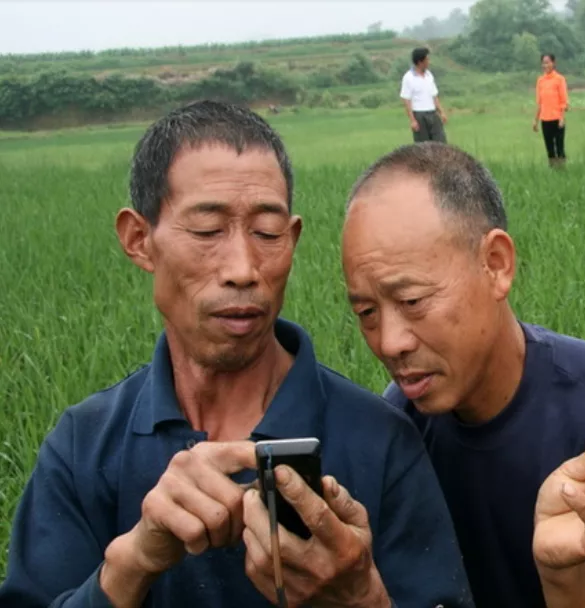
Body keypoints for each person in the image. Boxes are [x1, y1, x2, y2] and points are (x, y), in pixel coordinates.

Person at [0, 101, 474, 608]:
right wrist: (133, 562)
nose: (244, 269)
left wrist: (360, 597)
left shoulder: (380, 442)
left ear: (291, 241)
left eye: (267, 234)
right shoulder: (85, 447)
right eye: (207, 231)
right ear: (139, 240)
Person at [340, 142, 585, 607]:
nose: (389, 342)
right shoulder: (401, 430)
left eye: (412, 301)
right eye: (365, 311)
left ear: (495, 264)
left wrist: (565, 575)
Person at [400, 47, 448, 143]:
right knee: (423, 147)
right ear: (420, 61)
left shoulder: (429, 75)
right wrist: (413, 120)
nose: (429, 61)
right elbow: (406, 101)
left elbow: (434, 96)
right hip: (419, 115)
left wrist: (441, 112)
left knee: (441, 143)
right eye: (427, 59)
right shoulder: (408, 77)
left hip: (433, 114)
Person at [533, 53, 568, 168]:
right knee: (549, 148)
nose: (545, 65)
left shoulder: (559, 79)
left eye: (547, 62)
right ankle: (553, 168)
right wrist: (535, 121)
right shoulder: (540, 81)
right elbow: (539, 102)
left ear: (553, 63)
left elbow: (564, 100)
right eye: (543, 62)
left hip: (557, 119)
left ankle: (562, 168)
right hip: (545, 119)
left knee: (559, 146)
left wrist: (562, 118)